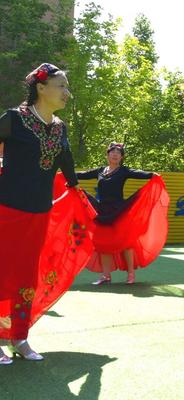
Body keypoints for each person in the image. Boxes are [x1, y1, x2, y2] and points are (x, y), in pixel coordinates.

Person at [0, 63, 94, 364]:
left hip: (40, 211)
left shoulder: (59, 127)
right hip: (8, 210)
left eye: (66, 87)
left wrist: (76, 188)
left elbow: (65, 159)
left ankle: (19, 336)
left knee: (27, 276)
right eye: (61, 86)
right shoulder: (15, 119)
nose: (67, 92)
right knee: (3, 274)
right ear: (41, 88)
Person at [76, 143, 169, 285]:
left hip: (119, 210)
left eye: (118, 153)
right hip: (102, 211)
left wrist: (152, 175)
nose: (115, 155)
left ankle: (131, 274)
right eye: (112, 152)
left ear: (121, 157)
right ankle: (106, 276)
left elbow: (138, 173)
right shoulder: (100, 171)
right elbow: (82, 175)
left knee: (126, 243)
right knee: (103, 243)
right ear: (107, 155)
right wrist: (66, 175)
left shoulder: (123, 171)